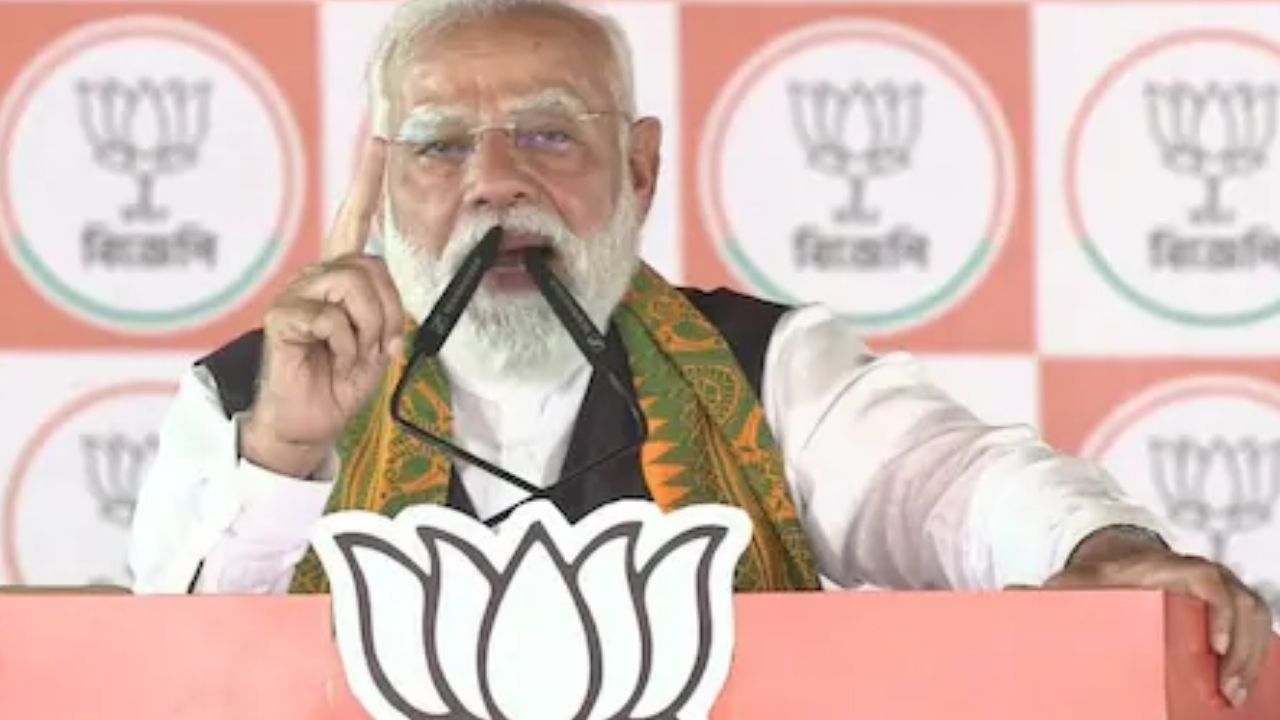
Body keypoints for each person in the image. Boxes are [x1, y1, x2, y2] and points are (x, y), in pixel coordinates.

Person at [128, 0, 1273, 706]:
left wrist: (1102, 550)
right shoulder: (248, 398)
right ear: (381, 181)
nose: (492, 184)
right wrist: (281, 453)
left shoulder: (760, 365)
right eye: (438, 148)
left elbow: (954, 488)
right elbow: (176, 682)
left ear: (638, 169)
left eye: (546, 134)